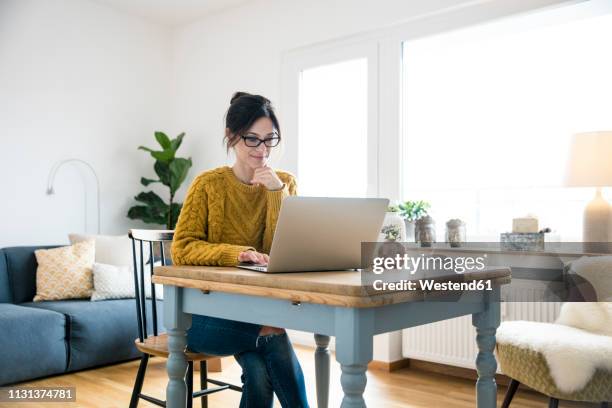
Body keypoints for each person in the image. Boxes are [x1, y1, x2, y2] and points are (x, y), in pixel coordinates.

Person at [171, 92, 309, 408]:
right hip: (205, 317)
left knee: (260, 373)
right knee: (273, 331)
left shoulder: (283, 183)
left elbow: (287, 251)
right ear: (231, 137)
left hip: (258, 308)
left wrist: (276, 193)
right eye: (252, 139)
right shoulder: (208, 185)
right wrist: (237, 254)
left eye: (269, 140)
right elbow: (183, 248)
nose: (262, 150)